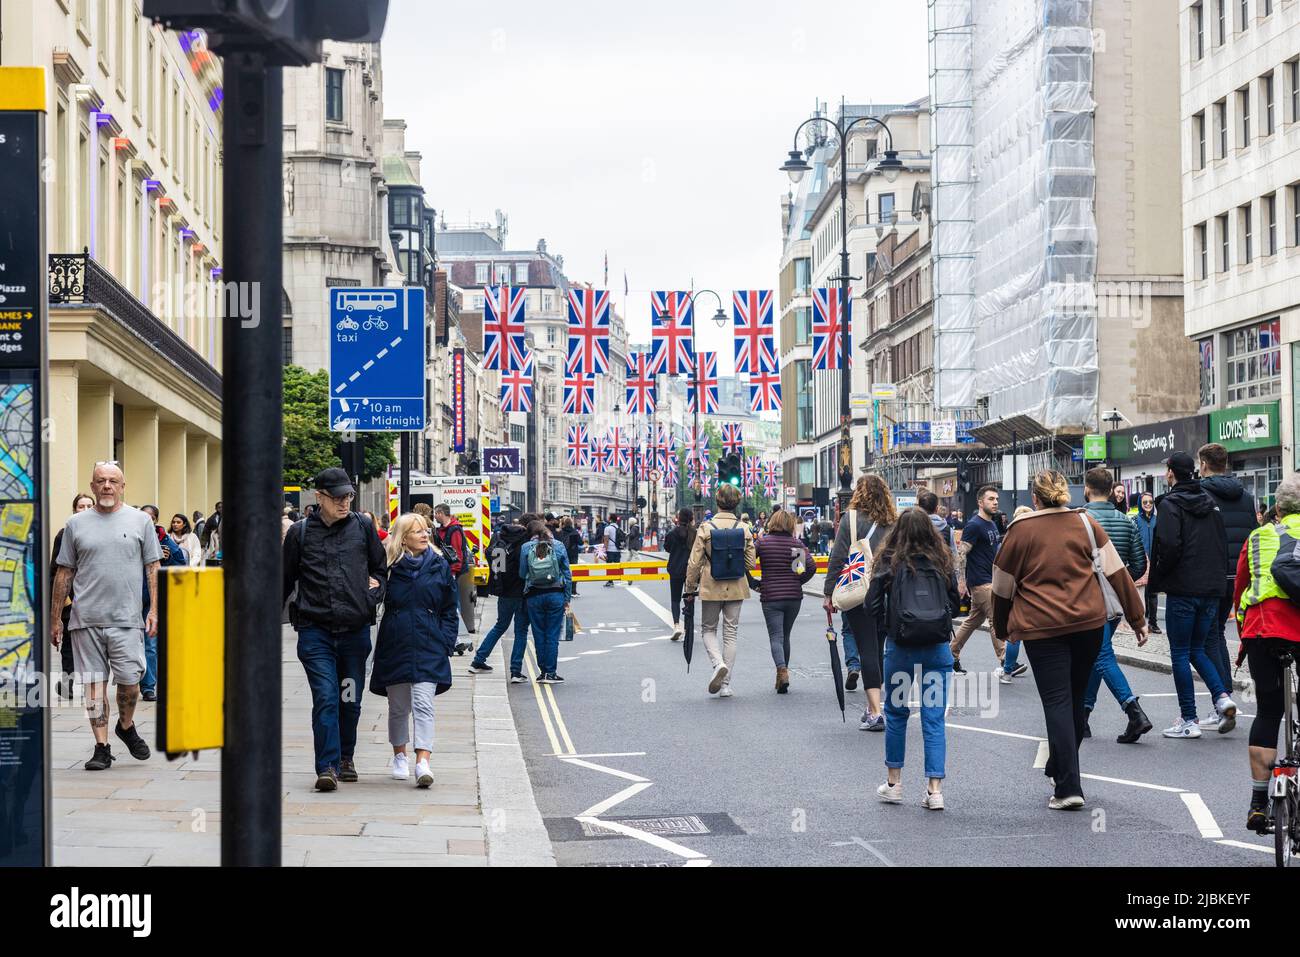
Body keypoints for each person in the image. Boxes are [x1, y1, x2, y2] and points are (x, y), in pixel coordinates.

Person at [991, 469, 1147, 810]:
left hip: (1042, 628)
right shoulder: (1087, 524)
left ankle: (1068, 787)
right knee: (1075, 700)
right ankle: (1059, 767)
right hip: (1088, 624)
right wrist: (1138, 619)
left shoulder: (1020, 531)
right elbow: (1117, 572)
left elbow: (1002, 587)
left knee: (1057, 702)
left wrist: (1001, 628)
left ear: (1035, 498)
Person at [282, 467, 386, 792]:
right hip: (315, 631)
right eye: (338, 497)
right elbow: (283, 582)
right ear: (320, 497)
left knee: (349, 699)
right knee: (326, 697)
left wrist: (373, 594)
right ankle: (326, 766)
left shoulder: (364, 527)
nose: (345, 503)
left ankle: (346, 757)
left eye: (349, 496)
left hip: (355, 632)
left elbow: (380, 570)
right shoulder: (299, 534)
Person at [50, 464, 160, 770]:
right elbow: (64, 572)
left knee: (130, 684)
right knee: (94, 686)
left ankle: (125, 726)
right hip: (86, 619)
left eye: (113, 481)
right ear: (93, 485)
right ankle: (101, 747)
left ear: (123, 485)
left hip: (127, 619)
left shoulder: (140, 521)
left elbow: (153, 568)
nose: (107, 486)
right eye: (101, 481)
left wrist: (154, 610)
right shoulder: (76, 524)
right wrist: (56, 618)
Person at [869, 509, 961, 809]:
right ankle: (935, 791)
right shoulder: (942, 561)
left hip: (901, 647)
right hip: (937, 647)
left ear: (898, 532)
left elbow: (871, 605)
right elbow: (956, 605)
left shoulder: (889, 562)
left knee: (896, 714)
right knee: (933, 719)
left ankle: (894, 784)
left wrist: (889, 625)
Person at [1149, 451, 1238, 739]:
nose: (1165, 475)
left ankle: (1189, 719)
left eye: (1167, 471)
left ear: (1172, 473)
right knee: (1198, 649)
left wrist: (1159, 578)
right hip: (1211, 589)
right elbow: (1221, 546)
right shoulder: (1211, 505)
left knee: (1179, 653)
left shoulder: (1170, 504)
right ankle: (1222, 697)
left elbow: (1169, 547)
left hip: (1183, 589)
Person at [370, 513, 458, 789]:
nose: (424, 535)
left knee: (423, 704)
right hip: (395, 641)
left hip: (429, 641)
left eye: (426, 531)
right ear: (403, 537)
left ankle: (423, 762)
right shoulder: (389, 566)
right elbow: (374, 599)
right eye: (417, 531)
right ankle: (399, 757)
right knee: (398, 706)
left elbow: (449, 609)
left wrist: (446, 641)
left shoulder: (439, 565)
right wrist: (371, 588)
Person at [1235, 474, 1300, 831]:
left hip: (1262, 627)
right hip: (1297, 627)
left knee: (1269, 709)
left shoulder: (1258, 536)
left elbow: (1242, 587)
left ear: (1277, 507)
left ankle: (1259, 801)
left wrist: (1244, 640)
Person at [1080, 468, 1153, 743]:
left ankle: (1134, 712)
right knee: (1098, 655)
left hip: (1087, 599)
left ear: (1087, 489)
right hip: (1114, 601)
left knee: (1099, 657)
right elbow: (1137, 564)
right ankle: (1083, 716)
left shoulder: (1080, 520)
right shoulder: (1127, 521)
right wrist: (1119, 584)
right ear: (1112, 491)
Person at [825, 474, 897, 729]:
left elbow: (838, 557)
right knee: (878, 649)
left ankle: (876, 712)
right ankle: (872, 706)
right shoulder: (893, 521)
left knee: (866, 648)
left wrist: (828, 593)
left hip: (860, 592)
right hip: (889, 592)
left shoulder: (851, 518)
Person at [1199, 442, 1257, 711]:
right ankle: (1223, 694)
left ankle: (1221, 697)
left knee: (1210, 635)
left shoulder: (1201, 494)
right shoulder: (1246, 496)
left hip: (1212, 574)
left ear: (1203, 465)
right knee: (1217, 632)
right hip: (1240, 575)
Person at [685, 483, 758, 697]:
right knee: (731, 633)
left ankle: (717, 664)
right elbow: (751, 563)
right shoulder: (744, 528)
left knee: (708, 629)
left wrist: (690, 588)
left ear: (717, 501)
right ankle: (725, 685)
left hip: (711, 584)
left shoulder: (706, 528)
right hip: (736, 584)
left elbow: (694, 562)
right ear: (736, 502)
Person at [753, 508, 815, 693]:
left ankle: (782, 670)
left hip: (771, 596)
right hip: (793, 598)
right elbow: (808, 568)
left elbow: (745, 561)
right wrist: (798, 582)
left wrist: (753, 584)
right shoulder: (796, 544)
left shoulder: (763, 543)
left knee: (775, 637)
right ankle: (782, 675)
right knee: (785, 636)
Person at [951, 484, 1009, 676]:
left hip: (990, 579)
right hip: (981, 582)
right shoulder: (974, 525)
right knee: (996, 620)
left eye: (996, 499)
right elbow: (961, 554)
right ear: (980, 502)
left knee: (973, 621)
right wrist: (961, 581)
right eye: (991, 499)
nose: (995, 503)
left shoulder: (991, 524)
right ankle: (1006, 660)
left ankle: (951, 653)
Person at [470, 513, 532, 681]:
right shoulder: (525, 542)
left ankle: (478, 660)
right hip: (521, 592)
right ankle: (515, 671)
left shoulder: (499, 537)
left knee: (500, 626)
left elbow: (496, 565)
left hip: (503, 591)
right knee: (521, 631)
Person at [138, 505, 187, 701]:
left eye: (149, 518)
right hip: (129, 597)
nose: (145, 521)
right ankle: (130, 681)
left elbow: (180, 567)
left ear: (156, 520)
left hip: (151, 600)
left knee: (150, 643)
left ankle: (148, 686)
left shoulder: (164, 541)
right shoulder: (131, 536)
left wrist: (165, 560)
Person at [51, 494, 96, 699]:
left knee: (93, 645)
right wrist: (65, 602)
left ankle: (93, 684)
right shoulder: (65, 534)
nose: (85, 509)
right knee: (69, 645)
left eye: (89, 505)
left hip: (96, 599)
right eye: (81, 506)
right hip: (73, 600)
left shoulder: (102, 532)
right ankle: (68, 683)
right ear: (74, 509)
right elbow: (56, 570)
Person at [521, 519, 572, 684]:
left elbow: (522, 573)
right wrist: (566, 598)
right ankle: (551, 672)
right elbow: (567, 574)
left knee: (538, 634)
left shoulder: (526, 547)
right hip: (555, 595)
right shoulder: (558, 545)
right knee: (552, 635)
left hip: (534, 596)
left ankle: (542, 672)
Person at [432, 503, 476, 654]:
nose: (434, 516)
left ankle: (459, 637)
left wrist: (453, 571)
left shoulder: (454, 529)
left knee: (453, 603)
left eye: (436, 513)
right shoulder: (443, 529)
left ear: (441, 513)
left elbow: (457, 553)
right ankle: (457, 637)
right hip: (446, 570)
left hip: (451, 571)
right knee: (451, 603)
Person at [664, 508, 697, 641]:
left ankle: (677, 625)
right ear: (690, 518)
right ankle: (687, 627)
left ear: (679, 518)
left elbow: (667, 548)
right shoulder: (694, 533)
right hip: (690, 570)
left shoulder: (672, 533)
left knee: (675, 599)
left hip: (675, 568)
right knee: (689, 597)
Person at [1134, 492, 1160, 634]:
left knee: (1153, 594)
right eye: (1145, 502)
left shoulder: (1158, 520)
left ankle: (1154, 623)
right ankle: (1141, 623)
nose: (1148, 504)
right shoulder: (1135, 520)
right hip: (1141, 562)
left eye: (1150, 502)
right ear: (1140, 504)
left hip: (1155, 563)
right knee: (1141, 594)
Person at [560, 516, 584, 598]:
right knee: (574, 572)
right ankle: (573, 591)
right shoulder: (575, 532)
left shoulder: (561, 532)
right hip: (573, 554)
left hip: (563, 553)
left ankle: (564, 590)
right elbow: (581, 543)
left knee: (564, 571)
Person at [603, 515, 624, 586]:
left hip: (610, 549)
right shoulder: (618, 528)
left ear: (610, 520)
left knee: (609, 566)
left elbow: (606, 540)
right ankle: (623, 578)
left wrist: (605, 550)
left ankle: (610, 581)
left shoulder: (607, 528)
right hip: (618, 549)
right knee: (617, 566)